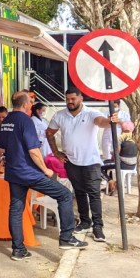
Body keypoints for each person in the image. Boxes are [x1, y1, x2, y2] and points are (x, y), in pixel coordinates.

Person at [1, 90, 87, 261]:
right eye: (31, 101)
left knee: (16, 209)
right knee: (64, 195)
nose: (32, 104)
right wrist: (45, 169)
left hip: (13, 171)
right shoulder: (25, 120)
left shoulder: (7, 120)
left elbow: (3, 147)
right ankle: (67, 237)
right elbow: (33, 150)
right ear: (25, 104)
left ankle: (18, 249)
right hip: (29, 172)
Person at [46, 87, 118, 243]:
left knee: (93, 194)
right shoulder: (60, 115)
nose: (70, 102)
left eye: (73, 99)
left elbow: (102, 122)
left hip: (91, 162)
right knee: (79, 192)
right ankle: (85, 221)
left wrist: (110, 121)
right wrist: (56, 152)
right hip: (71, 161)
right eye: (67, 99)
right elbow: (49, 133)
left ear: (81, 98)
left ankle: (98, 227)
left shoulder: (91, 113)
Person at [100, 124, 137, 196]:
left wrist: (113, 152)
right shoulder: (135, 140)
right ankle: (112, 186)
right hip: (132, 166)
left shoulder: (120, 139)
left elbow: (116, 153)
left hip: (122, 164)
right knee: (108, 164)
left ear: (122, 129)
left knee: (99, 166)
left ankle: (110, 181)